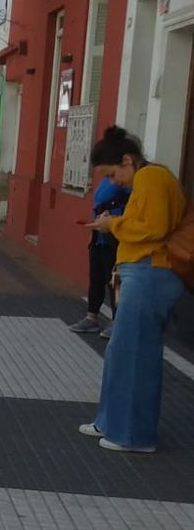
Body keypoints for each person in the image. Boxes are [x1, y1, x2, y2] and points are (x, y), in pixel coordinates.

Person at [81, 126, 187, 454]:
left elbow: (154, 227)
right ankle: (111, 420)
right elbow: (148, 221)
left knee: (135, 355)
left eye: (113, 174)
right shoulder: (148, 179)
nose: (114, 182)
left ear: (128, 161)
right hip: (141, 272)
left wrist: (113, 224)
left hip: (150, 272)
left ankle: (132, 434)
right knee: (120, 353)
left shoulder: (151, 178)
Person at [69, 173, 131, 338]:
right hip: (99, 236)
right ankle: (91, 317)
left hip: (115, 236)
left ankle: (117, 321)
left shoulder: (127, 181)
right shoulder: (106, 179)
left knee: (115, 282)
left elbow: (131, 209)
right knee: (95, 278)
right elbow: (97, 204)